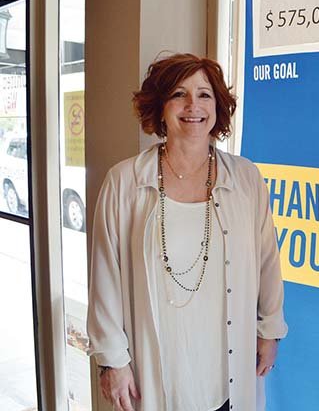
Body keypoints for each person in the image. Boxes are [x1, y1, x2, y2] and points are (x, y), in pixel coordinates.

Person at [87, 53, 287, 411]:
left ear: (218, 107)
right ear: (160, 107)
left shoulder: (245, 178)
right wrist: (112, 360)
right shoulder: (124, 182)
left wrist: (269, 329)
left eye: (204, 94)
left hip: (227, 372)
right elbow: (105, 277)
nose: (193, 105)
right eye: (179, 94)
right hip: (158, 374)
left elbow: (267, 261)